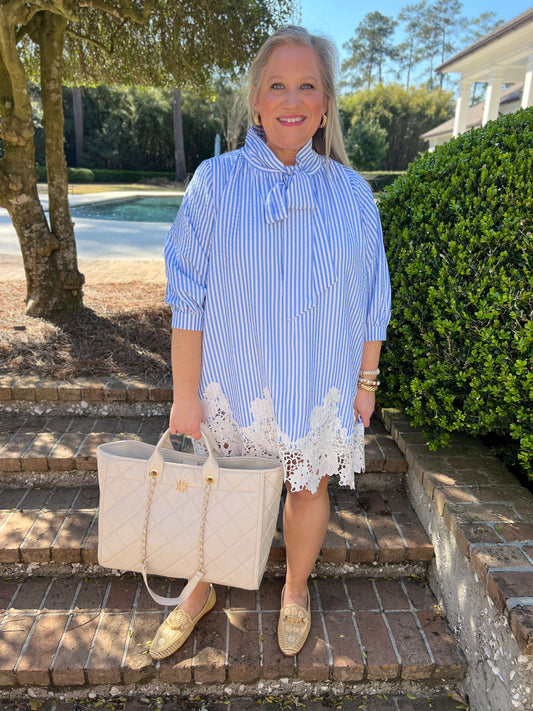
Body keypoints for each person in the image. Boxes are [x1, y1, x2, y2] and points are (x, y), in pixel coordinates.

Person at [150, 25, 391, 661]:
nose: (292, 98)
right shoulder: (214, 182)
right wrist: (184, 397)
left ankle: (294, 588)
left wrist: (366, 385)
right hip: (232, 382)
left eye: (307, 85)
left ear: (326, 102)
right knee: (217, 487)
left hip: (317, 383)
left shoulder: (355, 196)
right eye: (277, 85)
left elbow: (373, 302)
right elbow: (189, 298)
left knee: (307, 490)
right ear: (256, 101)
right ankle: (201, 584)